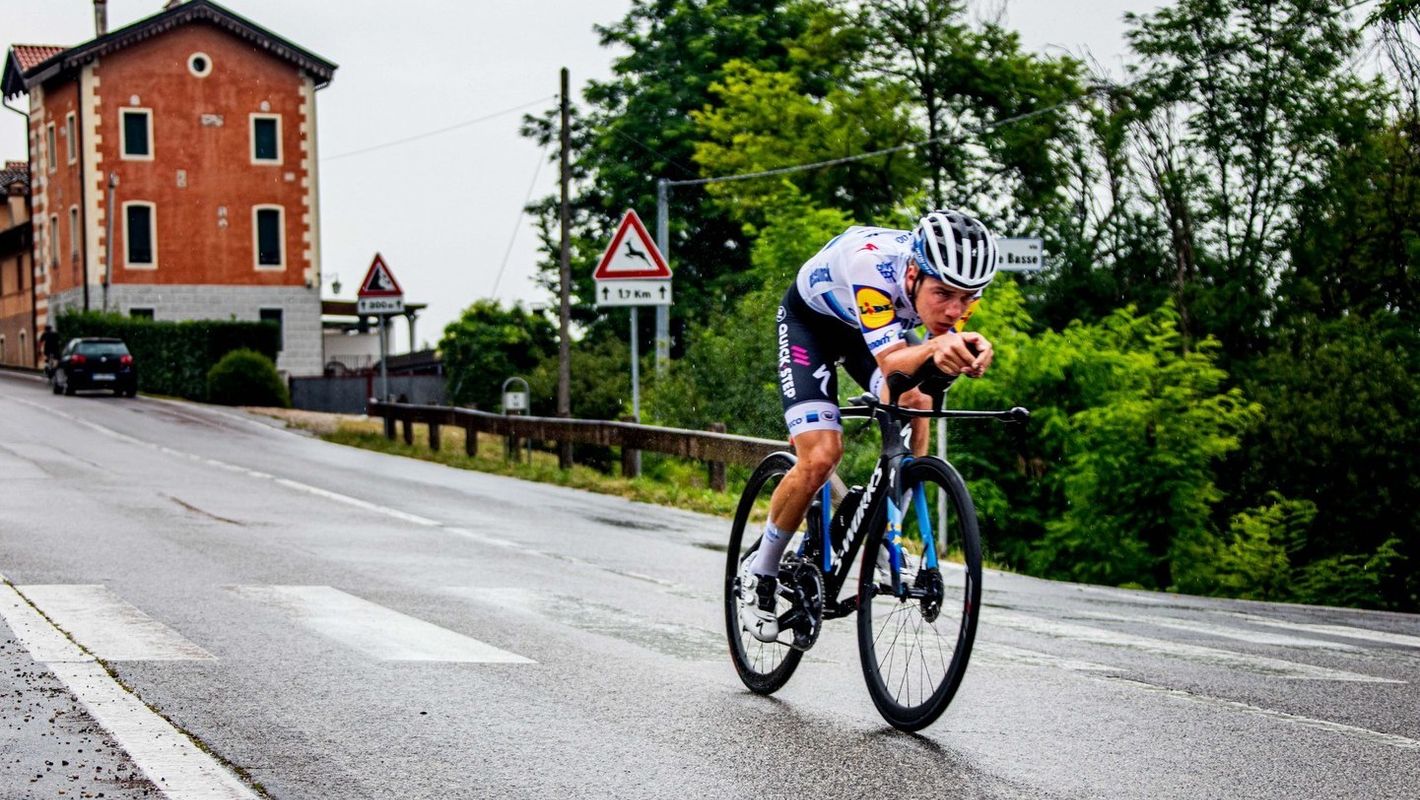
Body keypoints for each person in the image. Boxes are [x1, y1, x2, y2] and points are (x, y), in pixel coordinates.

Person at [741, 209, 1000, 642]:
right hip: (814, 326)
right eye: (943, 294)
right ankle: (761, 571)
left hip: (876, 329)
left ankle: (883, 523)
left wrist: (967, 351)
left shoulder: (945, 293)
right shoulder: (871, 265)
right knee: (822, 454)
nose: (955, 310)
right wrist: (940, 347)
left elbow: (922, 366)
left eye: (969, 298)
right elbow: (893, 361)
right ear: (914, 273)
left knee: (918, 399)